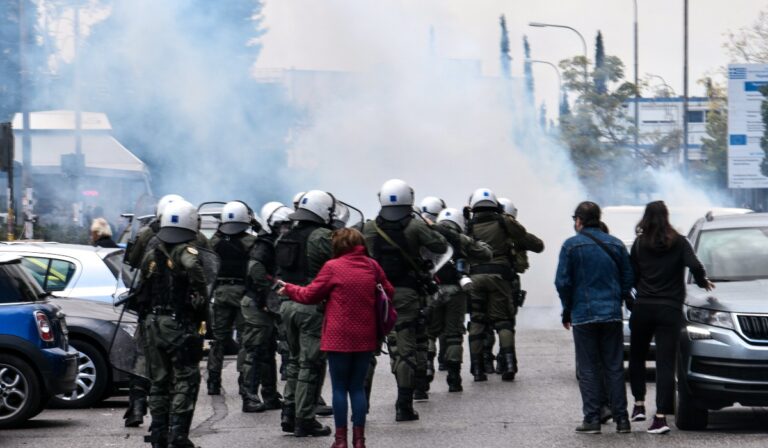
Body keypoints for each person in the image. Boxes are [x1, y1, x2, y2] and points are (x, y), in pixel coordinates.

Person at [278, 228, 392, 448]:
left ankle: (340, 441)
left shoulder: (332, 267)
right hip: (365, 335)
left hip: (338, 336)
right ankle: (359, 441)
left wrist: (289, 289)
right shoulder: (372, 266)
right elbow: (389, 292)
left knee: (339, 388)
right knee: (357, 389)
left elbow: (309, 295)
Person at [361, 179, 447, 421]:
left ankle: (361, 406)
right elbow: (439, 246)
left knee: (368, 350)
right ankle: (404, 406)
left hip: (374, 292)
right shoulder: (416, 226)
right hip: (406, 294)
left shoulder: (367, 228)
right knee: (405, 349)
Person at [628, 201, 713, 434]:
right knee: (666, 363)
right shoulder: (680, 241)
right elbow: (695, 264)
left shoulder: (638, 244)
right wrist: (702, 281)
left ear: (646, 218)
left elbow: (631, 274)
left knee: (637, 356)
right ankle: (660, 418)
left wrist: (639, 289)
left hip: (643, 307)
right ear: (667, 217)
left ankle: (638, 405)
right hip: (670, 309)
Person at [555, 201, 633, 434]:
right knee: (614, 367)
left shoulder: (570, 246)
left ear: (579, 220)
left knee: (588, 368)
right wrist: (617, 298)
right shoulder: (616, 244)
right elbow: (628, 279)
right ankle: (622, 420)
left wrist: (567, 310)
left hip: (583, 315)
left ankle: (592, 419)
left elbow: (563, 283)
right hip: (611, 315)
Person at [140, 200, 210, 448]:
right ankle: (178, 436)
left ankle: (159, 434)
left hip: (152, 322)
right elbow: (198, 276)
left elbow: (140, 287)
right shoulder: (186, 252)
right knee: (186, 378)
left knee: (159, 380)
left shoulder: (152, 252)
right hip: (177, 323)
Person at [465, 188, 542, 382]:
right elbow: (524, 236)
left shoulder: (468, 225)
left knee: (477, 322)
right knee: (504, 322)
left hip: (475, 277)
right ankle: (509, 364)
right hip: (500, 277)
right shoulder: (503, 222)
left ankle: (477, 369)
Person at [276, 190, 336, 437]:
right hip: (311, 305)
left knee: (293, 361)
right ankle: (305, 419)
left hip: (287, 304)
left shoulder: (287, 235)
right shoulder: (322, 236)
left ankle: (289, 413)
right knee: (310, 365)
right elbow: (341, 264)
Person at [238, 202, 292, 413]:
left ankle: (270, 395)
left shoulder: (275, 244)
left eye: (288, 225)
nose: (285, 229)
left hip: (265, 304)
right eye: (281, 225)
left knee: (268, 350)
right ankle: (249, 396)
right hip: (256, 304)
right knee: (254, 351)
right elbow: (256, 271)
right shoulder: (264, 246)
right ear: (272, 225)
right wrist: (268, 296)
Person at [431, 207, 492, 392]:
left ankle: (421, 379)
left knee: (427, 335)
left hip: (432, 291)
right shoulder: (462, 240)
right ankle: (454, 379)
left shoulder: (428, 235)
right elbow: (486, 253)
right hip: (457, 291)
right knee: (454, 336)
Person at [206, 201, 256, 401]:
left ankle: (213, 381)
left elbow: (208, 266)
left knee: (218, 339)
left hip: (221, 293)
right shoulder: (250, 242)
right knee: (245, 339)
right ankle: (244, 383)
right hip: (242, 293)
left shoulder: (214, 241)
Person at [493, 198, 544, 376]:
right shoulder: (516, 234)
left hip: (487, 280)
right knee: (506, 322)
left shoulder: (482, 230)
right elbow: (538, 245)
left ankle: (483, 363)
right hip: (509, 282)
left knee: (483, 321)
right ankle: (506, 361)